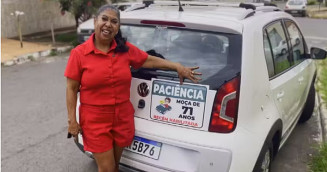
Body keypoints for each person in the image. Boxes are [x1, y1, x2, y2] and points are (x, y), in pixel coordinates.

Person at [65, 4, 201, 172]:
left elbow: (148, 60)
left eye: (114, 21)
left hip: (122, 117)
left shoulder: (125, 50)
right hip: (95, 120)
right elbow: (71, 88)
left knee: (114, 167)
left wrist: (177, 66)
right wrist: (72, 120)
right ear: (95, 22)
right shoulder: (79, 54)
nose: (108, 24)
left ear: (118, 27)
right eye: (104, 19)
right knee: (106, 168)